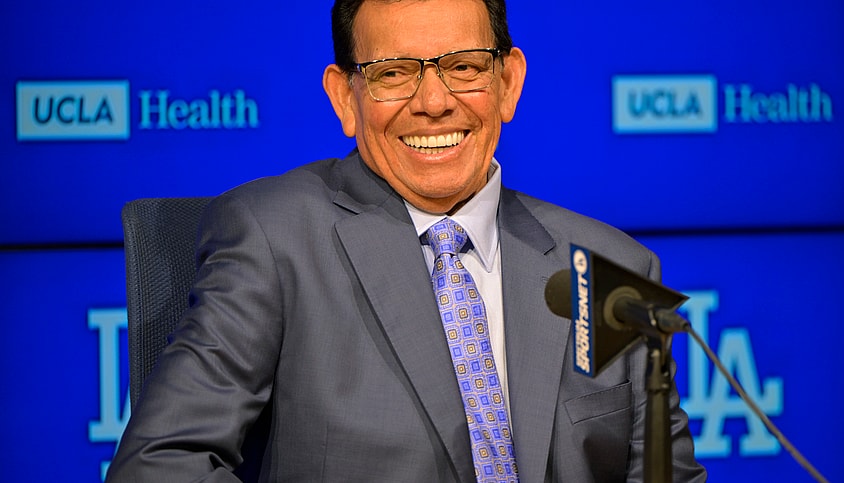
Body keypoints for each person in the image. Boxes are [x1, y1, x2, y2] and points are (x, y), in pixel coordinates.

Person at [107, 0, 707, 481]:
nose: (434, 102)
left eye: (464, 66)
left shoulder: (610, 267)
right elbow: (159, 464)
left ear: (508, 82)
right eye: (393, 74)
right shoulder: (273, 237)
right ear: (346, 98)